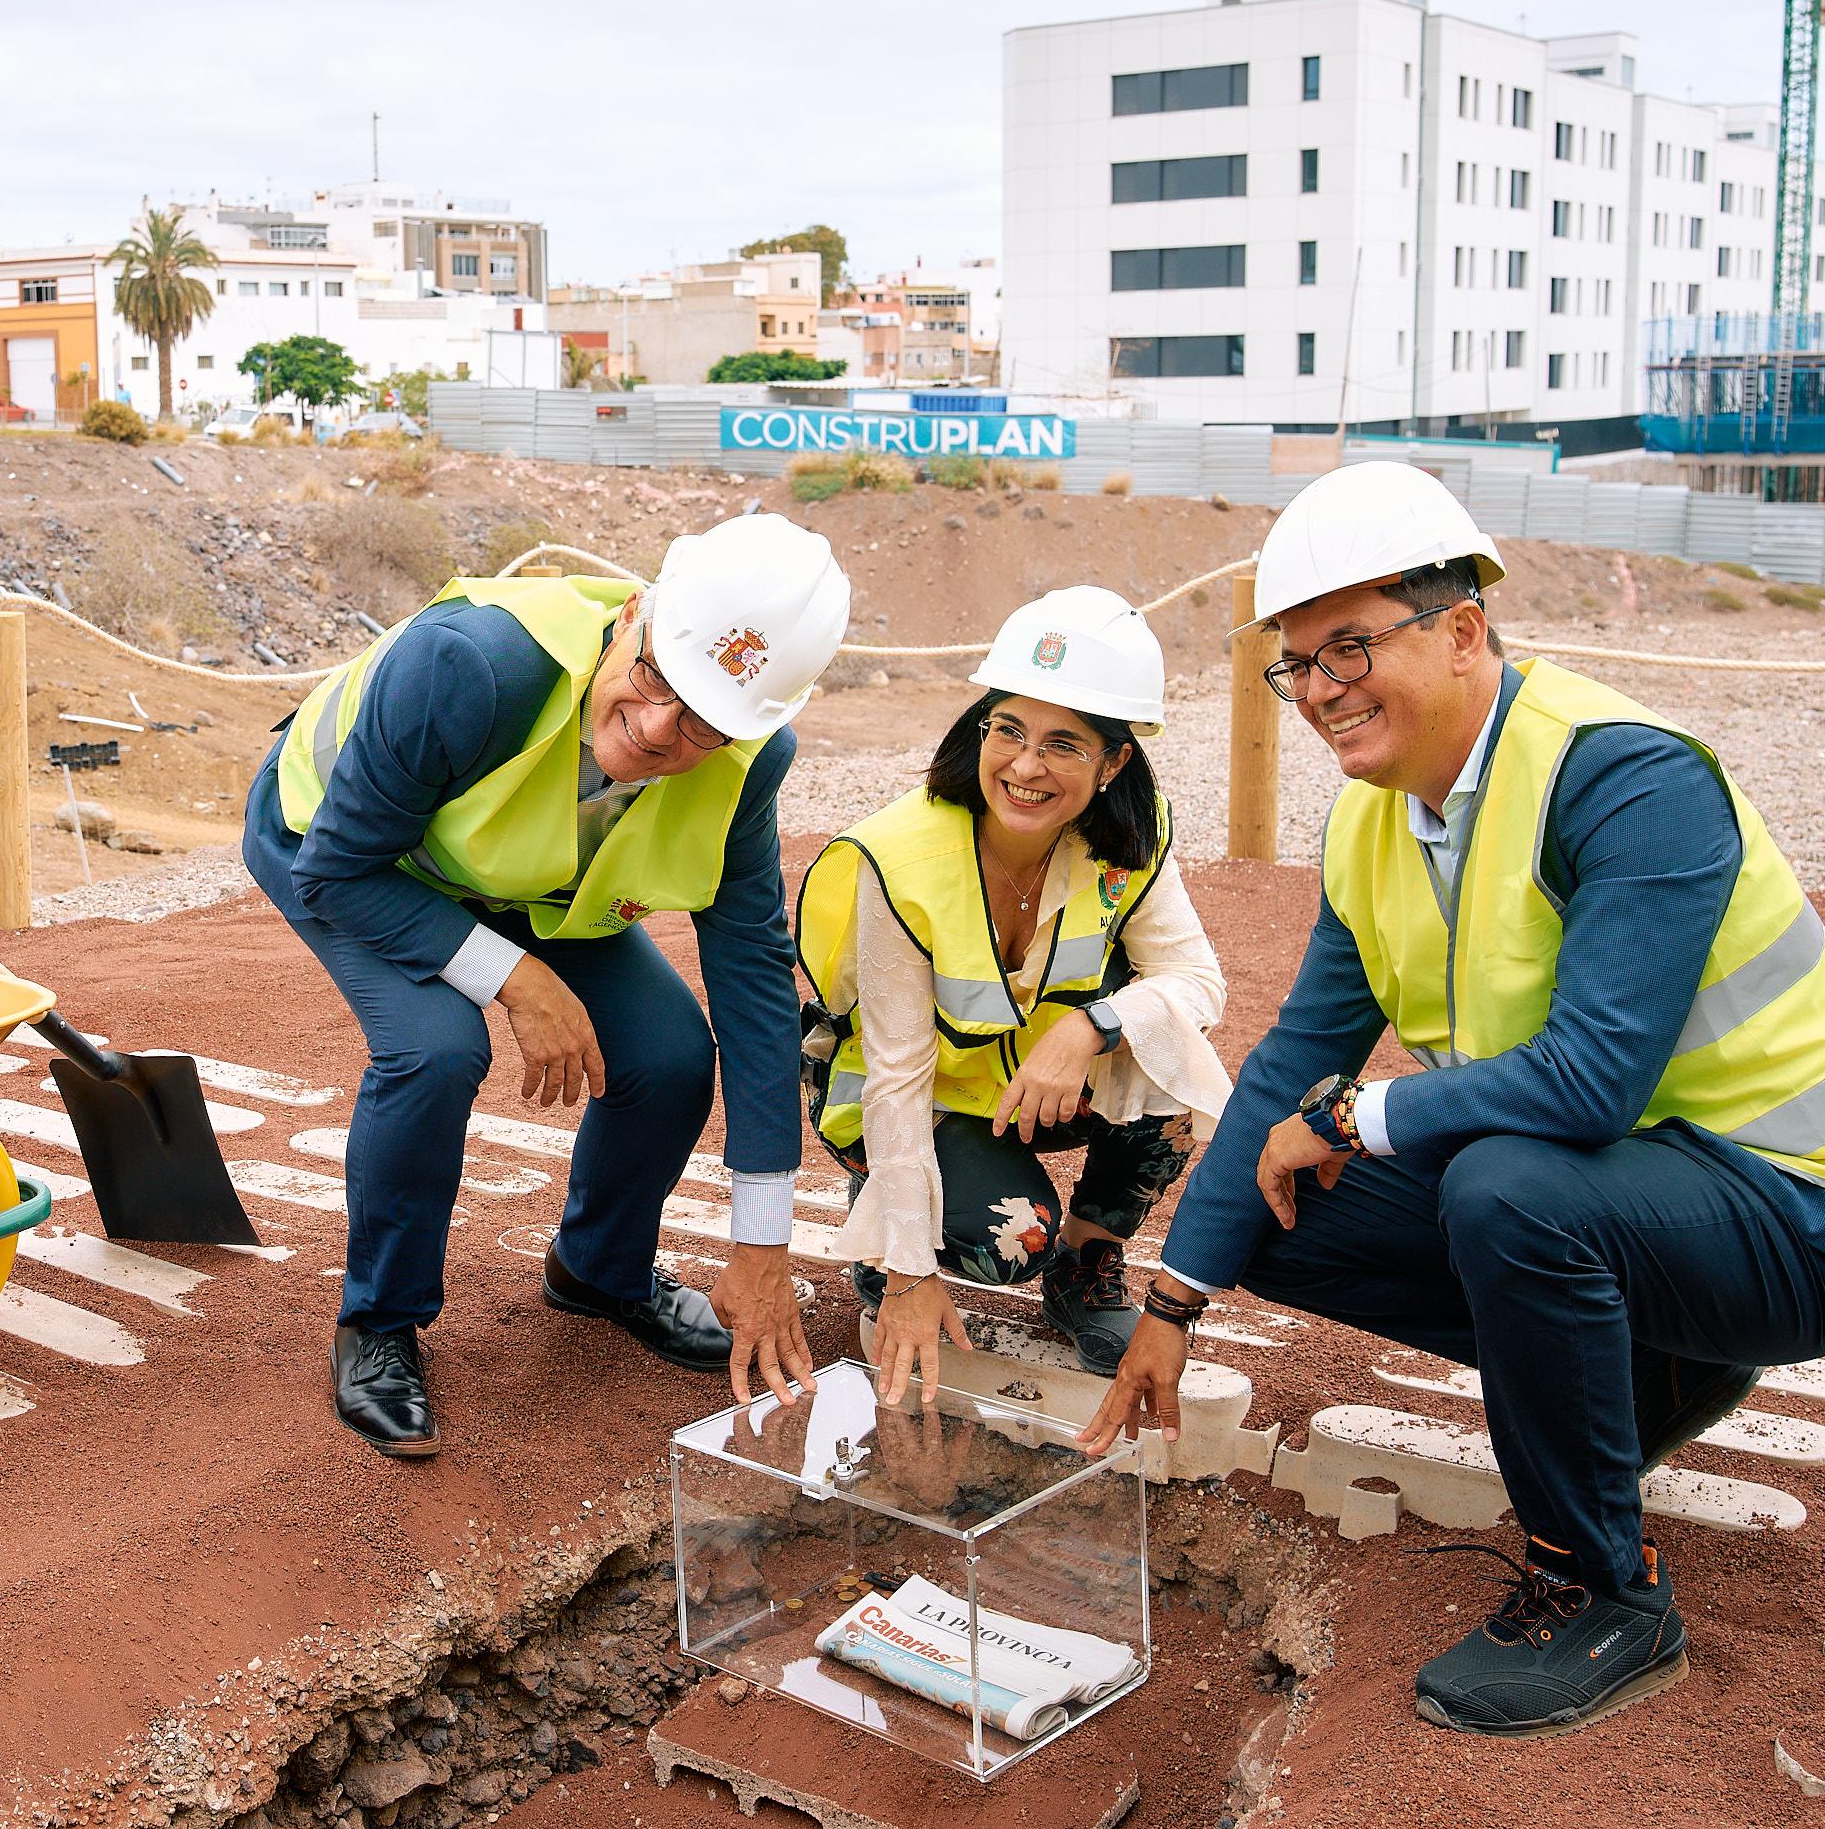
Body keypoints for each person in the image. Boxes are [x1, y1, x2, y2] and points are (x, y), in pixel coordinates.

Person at [1084, 461, 1825, 1738]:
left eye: (1350, 649)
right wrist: (1174, 1302)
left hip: (1818, 1221)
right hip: (1638, 1201)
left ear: (1463, 630)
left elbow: (1591, 1080)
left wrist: (1351, 1117)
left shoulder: (1627, 778)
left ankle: (1602, 1589)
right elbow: (1285, 1071)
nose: (1321, 691)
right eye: (1298, 664)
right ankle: (1648, 1374)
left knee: (1503, 1189)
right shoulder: (1375, 826)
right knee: (1278, 1205)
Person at [246, 515, 851, 1458]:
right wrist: (515, 976)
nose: (656, 727)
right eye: (657, 677)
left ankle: (599, 1271)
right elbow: (337, 870)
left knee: (671, 1056)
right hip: (345, 851)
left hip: (524, 874)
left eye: (705, 722)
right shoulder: (471, 662)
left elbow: (752, 980)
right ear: (633, 615)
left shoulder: (752, 763)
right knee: (437, 1048)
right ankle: (379, 1325)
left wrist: (761, 1239)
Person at [795, 587, 1232, 1403]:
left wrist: (1091, 1027)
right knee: (1010, 1240)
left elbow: (1197, 983)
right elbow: (892, 1070)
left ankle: (1087, 1261)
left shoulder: (1128, 843)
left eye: (1063, 745)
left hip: (1020, 1081)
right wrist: (906, 1269)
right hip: (901, 1096)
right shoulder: (903, 860)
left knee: (1177, 1070)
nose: (1025, 767)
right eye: (1009, 730)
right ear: (981, 727)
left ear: (1114, 764)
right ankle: (885, 1216)